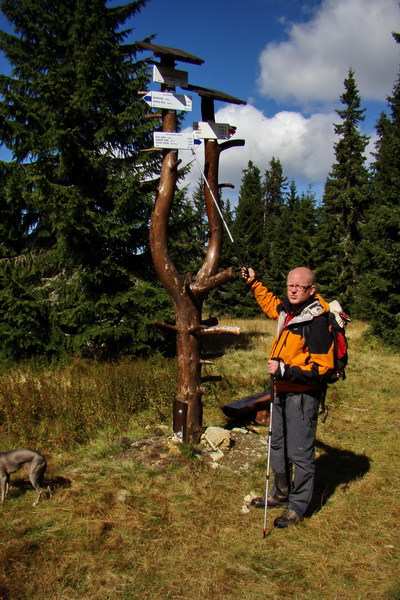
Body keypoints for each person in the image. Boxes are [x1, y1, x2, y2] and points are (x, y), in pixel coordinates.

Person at [241, 266, 335, 528]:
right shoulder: (288, 310)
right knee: (277, 444)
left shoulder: (317, 322)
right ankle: (280, 493)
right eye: (290, 285)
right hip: (280, 391)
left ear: (312, 290)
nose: (293, 290)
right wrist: (254, 281)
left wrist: (284, 370)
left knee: (300, 451)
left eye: (300, 287)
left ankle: (297, 507)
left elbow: (322, 370)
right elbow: (270, 303)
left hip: (302, 396)